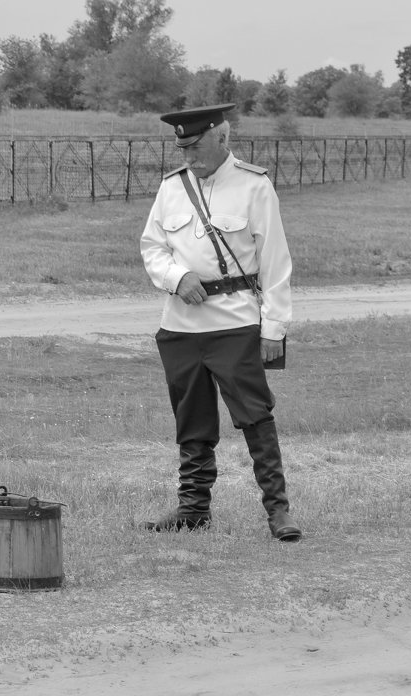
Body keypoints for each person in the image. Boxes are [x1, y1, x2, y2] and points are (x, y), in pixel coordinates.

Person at [138, 103, 302, 542]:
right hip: (181, 324)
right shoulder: (171, 187)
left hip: (235, 321)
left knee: (254, 414)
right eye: (182, 149)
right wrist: (177, 277)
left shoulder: (254, 186)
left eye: (195, 148)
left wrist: (274, 329)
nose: (188, 158)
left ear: (222, 139)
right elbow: (152, 248)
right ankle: (193, 509)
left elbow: (276, 263)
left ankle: (278, 512)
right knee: (190, 417)